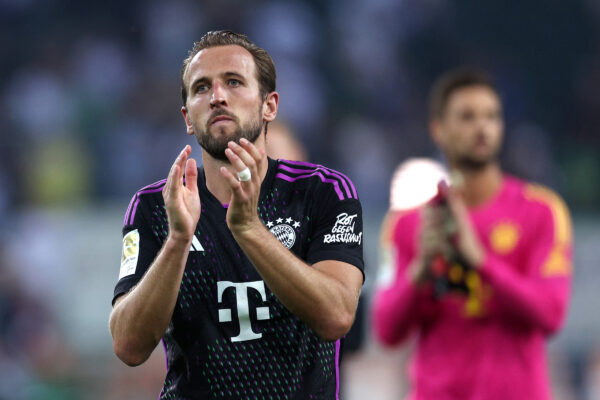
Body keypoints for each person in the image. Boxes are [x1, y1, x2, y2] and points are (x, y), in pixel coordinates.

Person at [109, 30, 364, 399]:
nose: (217, 97)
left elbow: (337, 316)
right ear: (187, 118)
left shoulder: (323, 192)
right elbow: (128, 346)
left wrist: (249, 229)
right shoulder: (155, 207)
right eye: (201, 88)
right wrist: (178, 241)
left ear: (269, 105)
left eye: (233, 82)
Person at [372, 68, 573, 400]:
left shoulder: (542, 211)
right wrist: (421, 268)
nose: (482, 127)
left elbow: (550, 313)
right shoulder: (409, 225)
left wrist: (478, 259)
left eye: (491, 116)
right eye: (467, 117)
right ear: (438, 130)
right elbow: (386, 331)